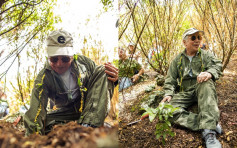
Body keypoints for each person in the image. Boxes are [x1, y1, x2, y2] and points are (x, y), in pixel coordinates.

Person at [23, 30, 118, 135]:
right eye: (54, 59)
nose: (59, 64)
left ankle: (88, 129)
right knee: (43, 124)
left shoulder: (85, 64)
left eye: (65, 58)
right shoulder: (43, 78)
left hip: (89, 111)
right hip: (63, 115)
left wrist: (115, 79)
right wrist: (34, 139)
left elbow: (101, 86)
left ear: (72, 56)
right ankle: (73, 130)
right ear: (48, 57)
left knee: (104, 70)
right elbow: (35, 112)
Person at [161, 28, 222, 148]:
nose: (197, 40)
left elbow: (217, 65)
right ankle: (208, 122)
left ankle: (209, 132)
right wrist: (168, 93)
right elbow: (170, 80)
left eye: (199, 37)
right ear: (184, 42)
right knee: (165, 111)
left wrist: (209, 73)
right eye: (193, 38)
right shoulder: (177, 60)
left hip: (203, 89)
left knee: (206, 82)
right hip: (185, 93)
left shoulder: (206, 55)